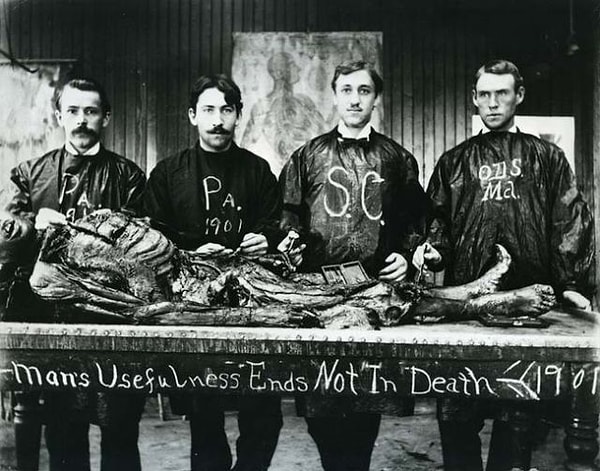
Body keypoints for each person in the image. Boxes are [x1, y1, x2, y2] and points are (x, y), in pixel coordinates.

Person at [412, 59, 594, 471]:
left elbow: (567, 218)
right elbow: (436, 222)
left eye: (502, 94)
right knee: (458, 415)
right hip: (466, 311)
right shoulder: (454, 162)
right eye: (485, 95)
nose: (493, 103)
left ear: (519, 96)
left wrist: (569, 282)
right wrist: (434, 251)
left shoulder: (546, 158)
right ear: (474, 100)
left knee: (517, 423)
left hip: (527, 314)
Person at [279, 60, 428, 471]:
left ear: (376, 98)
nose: (355, 99)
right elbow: (288, 212)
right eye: (347, 90)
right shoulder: (307, 156)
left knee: (366, 399)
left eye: (364, 90)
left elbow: (415, 219)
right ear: (334, 95)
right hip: (321, 296)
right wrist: (288, 241)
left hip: (373, 296)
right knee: (320, 403)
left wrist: (406, 254)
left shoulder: (396, 158)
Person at [143, 74, 283, 471]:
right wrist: (187, 252)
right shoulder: (169, 173)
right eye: (208, 110)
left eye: (226, 109)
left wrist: (264, 239)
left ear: (239, 115)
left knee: (264, 414)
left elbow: (275, 222)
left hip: (251, 308)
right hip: (194, 307)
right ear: (192, 116)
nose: (217, 119)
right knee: (205, 416)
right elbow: (152, 233)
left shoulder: (257, 171)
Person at [6, 77, 146, 471]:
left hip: (111, 319)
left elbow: (141, 243)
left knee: (119, 428)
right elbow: (8, 230)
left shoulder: (129, 177)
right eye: (72, 111)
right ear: (58, 116)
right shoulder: (29, 174)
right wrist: (33, 221)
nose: (81, 120)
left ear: (106, 118)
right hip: (50, 322)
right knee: (63, 433)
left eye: (90, 111)